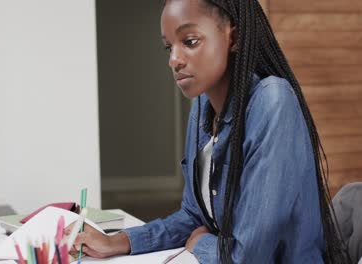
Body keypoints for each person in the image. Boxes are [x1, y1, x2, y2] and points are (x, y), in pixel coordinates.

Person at [66, 0, 350, 263]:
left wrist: (202, 243)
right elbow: (193, 216)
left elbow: (251, 256)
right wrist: (120, 241)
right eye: (169, 47)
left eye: (190, 41)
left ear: (234, 38)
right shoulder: (202, 106)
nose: (174, 60)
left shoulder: (272, 101)